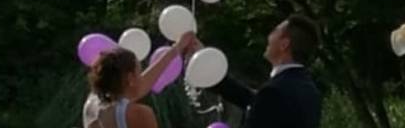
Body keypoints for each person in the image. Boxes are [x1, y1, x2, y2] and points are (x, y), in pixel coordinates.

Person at [194, 15, 322, 128]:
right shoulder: (310, 90)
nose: (269, 36)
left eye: (274, 31)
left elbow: (261, 103)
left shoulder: (275, 91)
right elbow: (250, 98)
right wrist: (205, 62)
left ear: (284, 44)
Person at [83, 31, 196, 128]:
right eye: (139, 72)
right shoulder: (139, 113)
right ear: (130, 78)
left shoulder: (93, 106)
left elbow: (142, 84)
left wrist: (177, 48)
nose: (141, 77)